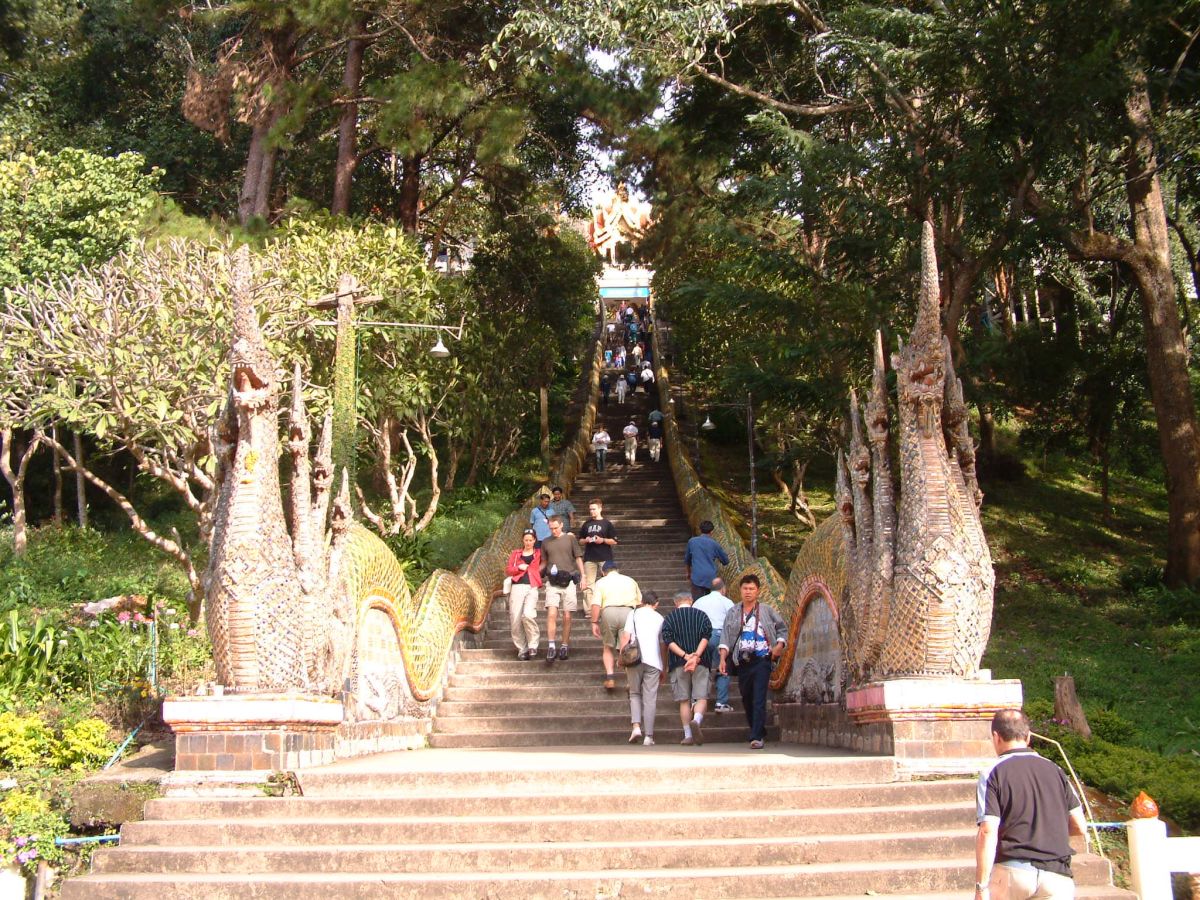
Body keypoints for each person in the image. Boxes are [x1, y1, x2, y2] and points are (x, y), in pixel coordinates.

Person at [975, 709, 1087, 900]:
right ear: (1027, 737)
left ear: (996, 737)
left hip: (1013, 872)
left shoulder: (992, 773)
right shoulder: (1056, 771)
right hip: (1057, 875)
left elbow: (987, 831)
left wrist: (982, 887)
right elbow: (1080, 826)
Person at [718, 574, 787, 749]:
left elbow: (782, 628)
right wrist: (722, 658)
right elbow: (725, 636)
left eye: (751, 589)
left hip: (762, 658)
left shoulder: (766, 610)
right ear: (740, 590)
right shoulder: (733, 612)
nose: (748, 592)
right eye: (745, 589)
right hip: (742, 660)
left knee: (759, 697)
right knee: (746, 696)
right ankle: (759, 729)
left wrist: (779, 645)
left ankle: (756, 736)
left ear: (758, 591)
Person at [661, 591, 712, 745]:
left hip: (679, 663)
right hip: (701, 661)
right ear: (690, 600)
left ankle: (688, 735)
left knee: (684, 700)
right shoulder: (702, 615)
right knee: (701, 696)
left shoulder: (669, 618)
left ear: (675, 603)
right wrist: (695, 656)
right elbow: (706, 636)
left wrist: (685, 657)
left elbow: (668, 641)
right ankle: (696, 720)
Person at [620, 591, 665, 746]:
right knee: (650, 698)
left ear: (642, 600)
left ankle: (636, 726)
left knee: (634, 693)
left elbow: (626, 638)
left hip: (634, 659)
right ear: (656, 603)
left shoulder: (633, 614)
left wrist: (621, 657)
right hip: (653, 661)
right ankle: (649, 736)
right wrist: (663, 666)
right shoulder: (660, 618)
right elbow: (662, 644)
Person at [540, 515, 586, 662]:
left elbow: (578, 557)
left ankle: (564, 645)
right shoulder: (546, 542)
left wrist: (583, 575)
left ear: (561, 525)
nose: (553, 531)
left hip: (569, 580)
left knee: (567, 615)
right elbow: (544, 562)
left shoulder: (570, 539)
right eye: (551, 528)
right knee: (552, 613)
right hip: (552, 581)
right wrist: (534, 574)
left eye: (556, 528)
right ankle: (552, 645)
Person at [589, 560, 641, 690]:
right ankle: (630, 681)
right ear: (617, 570)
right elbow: (639, 602)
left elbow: (596, 604)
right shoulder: (630, 580)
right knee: (626, 647)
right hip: (628, 612)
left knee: (607, 647)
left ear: (603, 572)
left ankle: (610, 678)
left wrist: (594, 621)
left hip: (608, 612)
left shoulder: (601, 582)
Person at [693, 577, 734, 712]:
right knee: (723, 666)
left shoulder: (699, 601)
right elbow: (733, 622)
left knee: (702, 668)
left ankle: (697, 699)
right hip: (719, 636)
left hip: (701, 638)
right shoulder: (727, 602)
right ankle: (721, 702)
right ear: (723, 589)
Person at [504, 529, 542, 659]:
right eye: (526, 540)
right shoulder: (516, 553)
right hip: (517, 586)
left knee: (528, 615)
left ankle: (533, 645)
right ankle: (522, 649)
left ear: (535, 540)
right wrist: (518, 568)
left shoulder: (538, 553)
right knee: (515, 618)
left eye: (531, 540)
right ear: (522, 540)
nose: (528, 542)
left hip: (532, 586)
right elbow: (508, 570)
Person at [578, 499, 617, 611]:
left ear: (600, 509)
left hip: (605, 556)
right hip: (590, 557)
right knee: (589, 585)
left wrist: (603, 540)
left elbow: (614, 541)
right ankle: (590, 610)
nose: (592, 511)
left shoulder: (607, 524)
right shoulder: (586, 524)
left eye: (594, 509)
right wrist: (586, 540)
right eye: (590, 509)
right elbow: (580, 540)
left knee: (609, 582)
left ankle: (609, 607)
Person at [685, 520, 730, 600]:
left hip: (696, 576)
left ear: (700, 530)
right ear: (711, 531)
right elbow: (725, 561)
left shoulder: (692, 542)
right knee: (711, 600)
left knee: (697, 602)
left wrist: (688, 573)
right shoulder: (714, 544)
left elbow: (687, 560)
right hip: (711, 578)